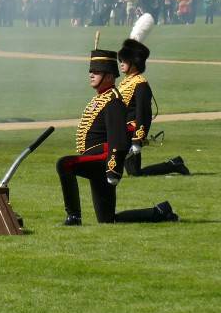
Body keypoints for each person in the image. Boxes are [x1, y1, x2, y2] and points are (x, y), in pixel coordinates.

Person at [55, 47, 179, 225]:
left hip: (103, 158)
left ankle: (74, 216)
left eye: (97, 71)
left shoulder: (113, 101)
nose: (91, 74)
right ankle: (159, 212)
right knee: (107, 220)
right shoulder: (102, 97)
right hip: (96, 158)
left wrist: (113, 167)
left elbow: (117, 137)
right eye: (91, 71)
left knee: (65, 164)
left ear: (109, 76)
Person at [117, 27, 191, 177]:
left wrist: (138, 139)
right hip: (121, 132)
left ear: (134, 62)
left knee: (134, 173)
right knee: (130, 171)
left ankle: (173, 165)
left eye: (124, 60)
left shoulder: (140, 84)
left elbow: (143, 114)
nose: (121, 63)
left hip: (131, 132)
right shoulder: (125, 82)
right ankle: (174, 164)